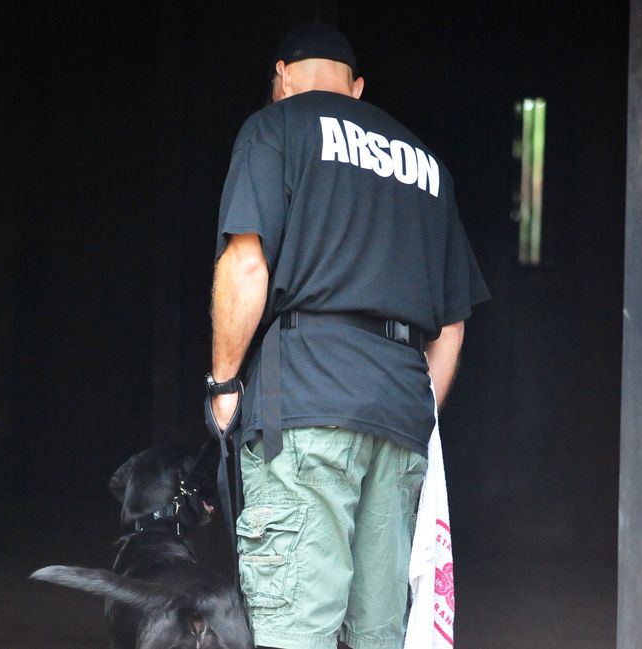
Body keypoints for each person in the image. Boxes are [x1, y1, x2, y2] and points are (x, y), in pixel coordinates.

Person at [205, 23, 489, 649]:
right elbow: (451, 325)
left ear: (281, 76)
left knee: (295, 628)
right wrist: (418, 414)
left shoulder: (274, 128)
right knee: (377, 633)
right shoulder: (424, 163)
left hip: (305, 405)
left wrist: (224, 383)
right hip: (398, 417)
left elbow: (246, 265)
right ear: (356, 88)